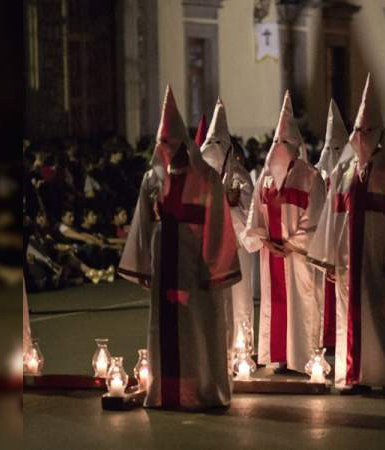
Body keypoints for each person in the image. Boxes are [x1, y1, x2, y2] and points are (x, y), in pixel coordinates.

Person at [118, 85, 241, 410]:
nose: (168, 150)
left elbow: (218, 225)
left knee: (199, 329)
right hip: (164, 268)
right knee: (167, 330)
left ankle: (204, 389)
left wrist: (215, 266)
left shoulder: (208, 180)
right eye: (163, 143)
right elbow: (143, 224)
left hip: (196, 267)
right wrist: (143, 264)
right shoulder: (151, 180)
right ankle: (166, 391)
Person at [308, 74, 385, 395]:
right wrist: (327, 257)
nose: (363, 137)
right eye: (359, 131)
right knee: (347, 315)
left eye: (369, 131)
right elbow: (332, 214)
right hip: (346, 255)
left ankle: (384, 374)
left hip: (378, 251)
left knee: (380, 313)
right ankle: (352, 375)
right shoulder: (344, 170)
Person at [244, 91, 326, 374]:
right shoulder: (265, 180)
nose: (280, 147)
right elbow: (254, 215)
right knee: (275, 303)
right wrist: (265, 240)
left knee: (302, 304)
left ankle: (302, 358)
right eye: (277, 141)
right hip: (272, 256)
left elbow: (315, 218)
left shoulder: (310, 177)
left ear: (296, 145)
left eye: (286, 142)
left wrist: (291, 244)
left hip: (297, 256)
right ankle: (278, 355)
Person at [200, 97, 257, 356]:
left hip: (236, 245)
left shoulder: (239, 175)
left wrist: (230, 205)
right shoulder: (199, 178)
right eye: (209, 143)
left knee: (240, 298)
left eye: (218, 143)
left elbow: (248, 211)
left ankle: (242, 348)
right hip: (212, 247)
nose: (213, 148)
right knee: (215, 300)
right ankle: (216, 347)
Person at [314, 99, 348, 347]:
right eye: (330, 148)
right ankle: (326, 336)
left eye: (339, 148)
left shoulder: (351, 174)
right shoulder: (317, 174)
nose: (334, 154)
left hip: (345, 236)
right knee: (324, 294)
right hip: (324, 237)